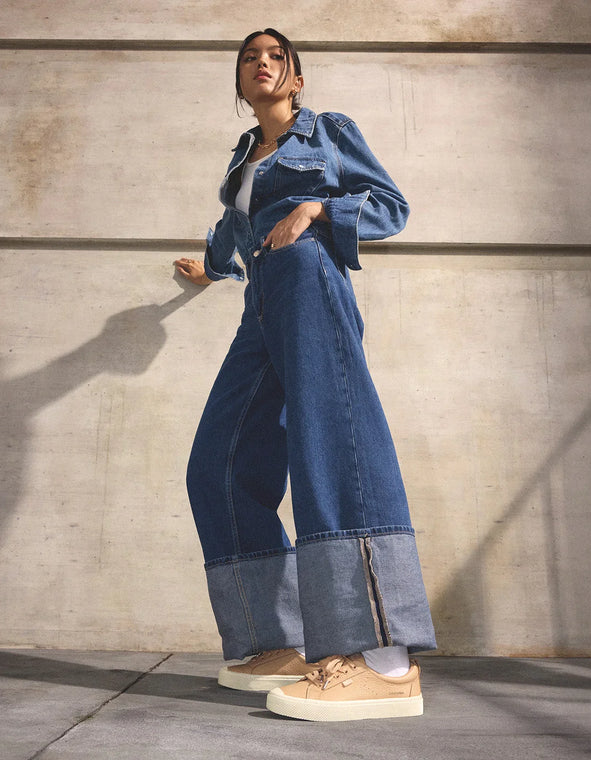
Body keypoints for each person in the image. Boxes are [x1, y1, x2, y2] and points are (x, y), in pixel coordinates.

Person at [174, 28, 436, 722]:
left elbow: (391, 206)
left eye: (275, 57)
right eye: (249, 58)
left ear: (295, 78)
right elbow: (235, 235)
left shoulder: (328, 131)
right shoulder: (243, 159)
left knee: (334, 448)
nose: (261, 64)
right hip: (260, 306)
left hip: (311, 282)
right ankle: (274, 639)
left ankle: (383, 660)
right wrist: (212, 267)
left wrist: (317, 207)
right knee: (219, 466)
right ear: (240, 82)